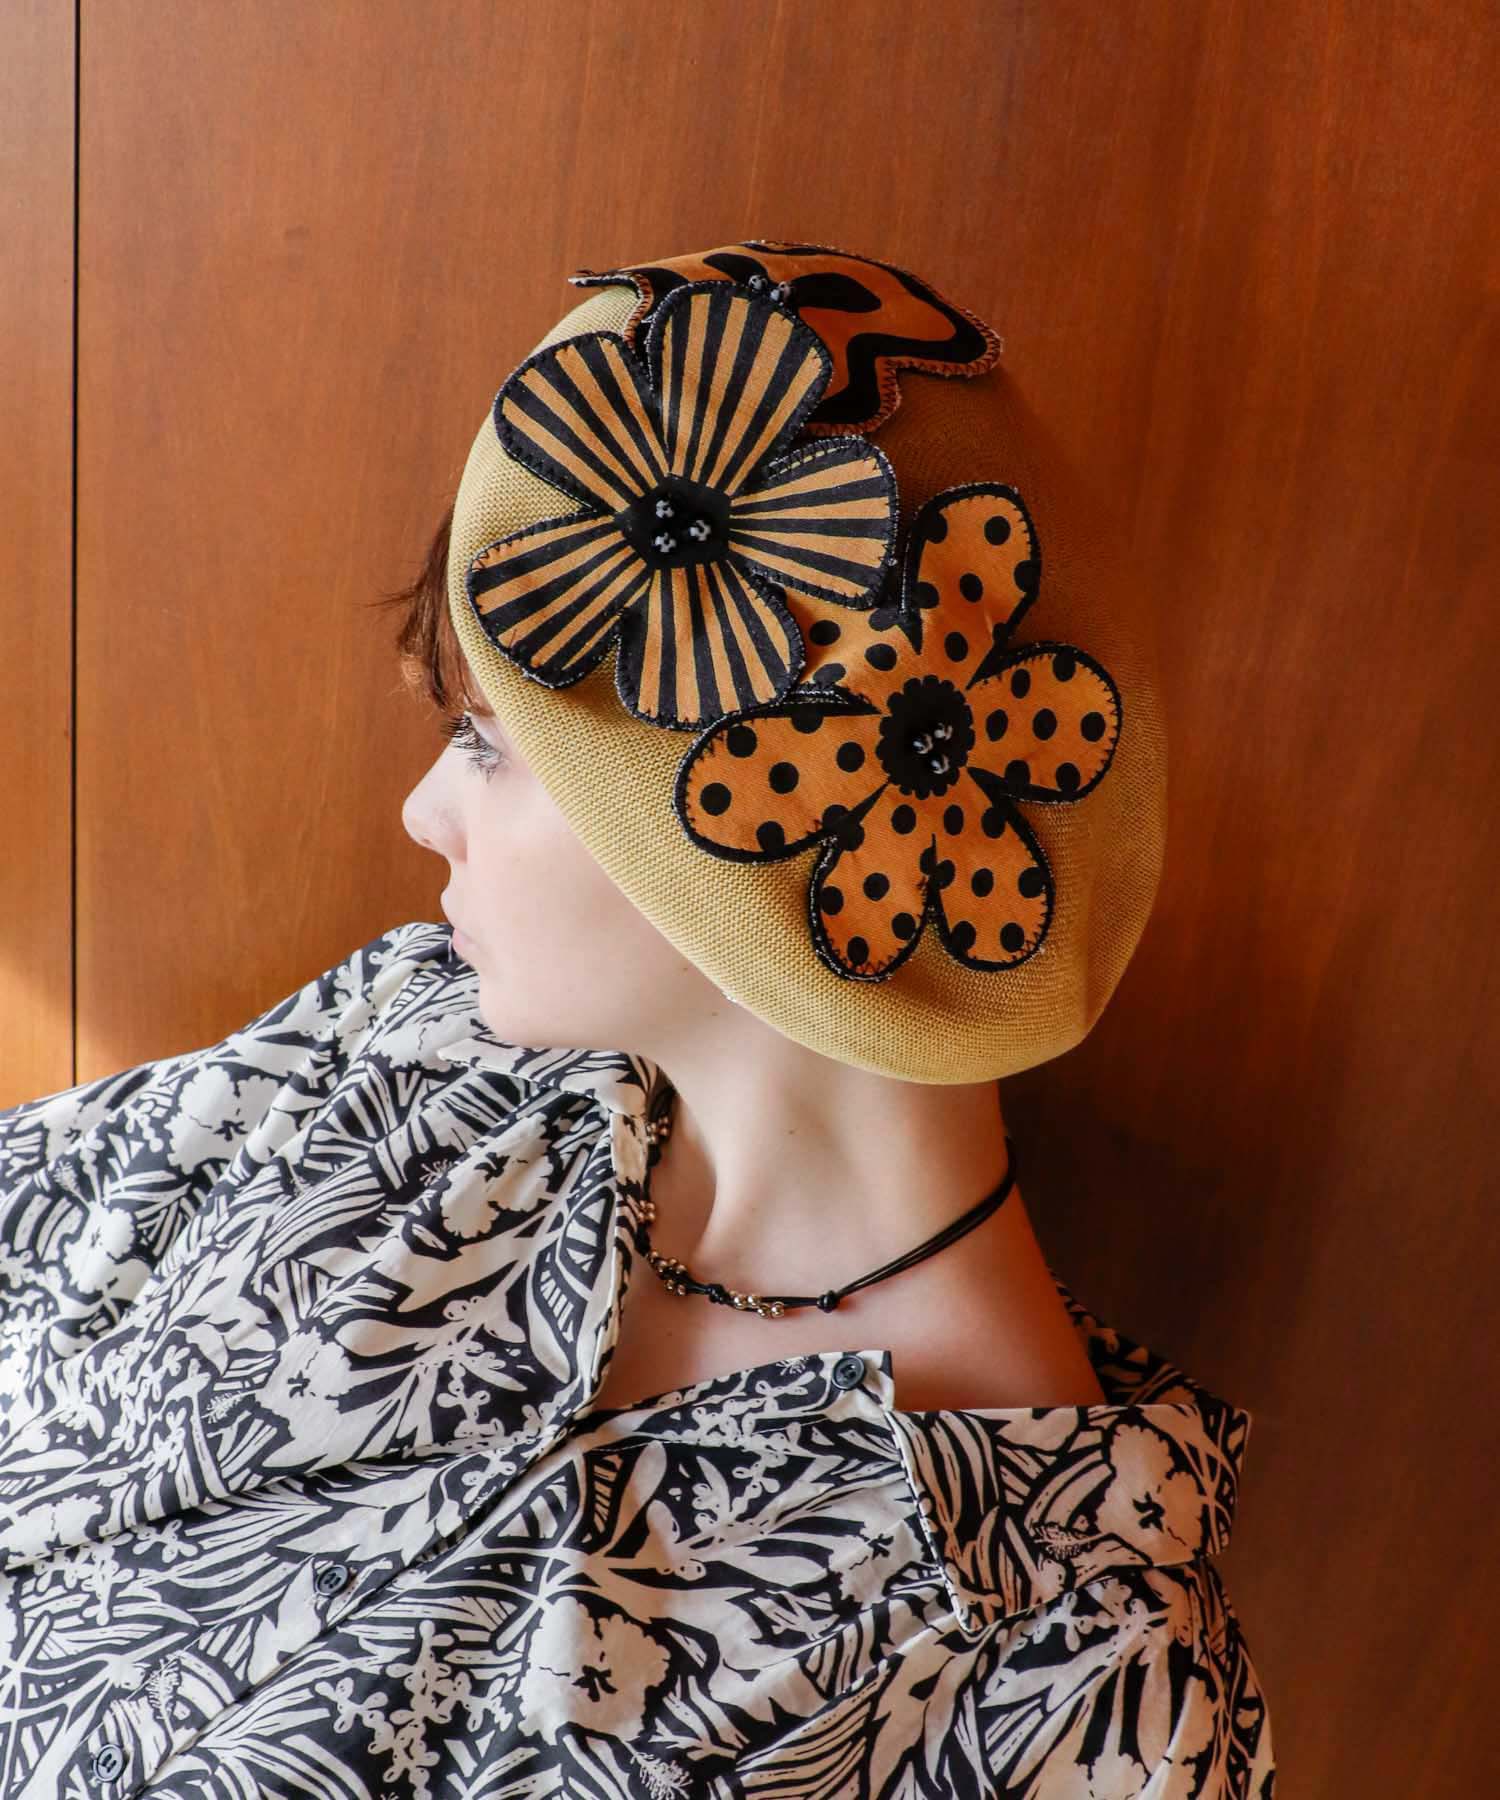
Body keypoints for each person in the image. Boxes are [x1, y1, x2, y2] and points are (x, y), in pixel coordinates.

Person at [0, 239, 1275, 1796]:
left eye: (487, 743)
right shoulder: (415, 1056)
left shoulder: (1071, 1696)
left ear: (752, 825)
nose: (422, 814)